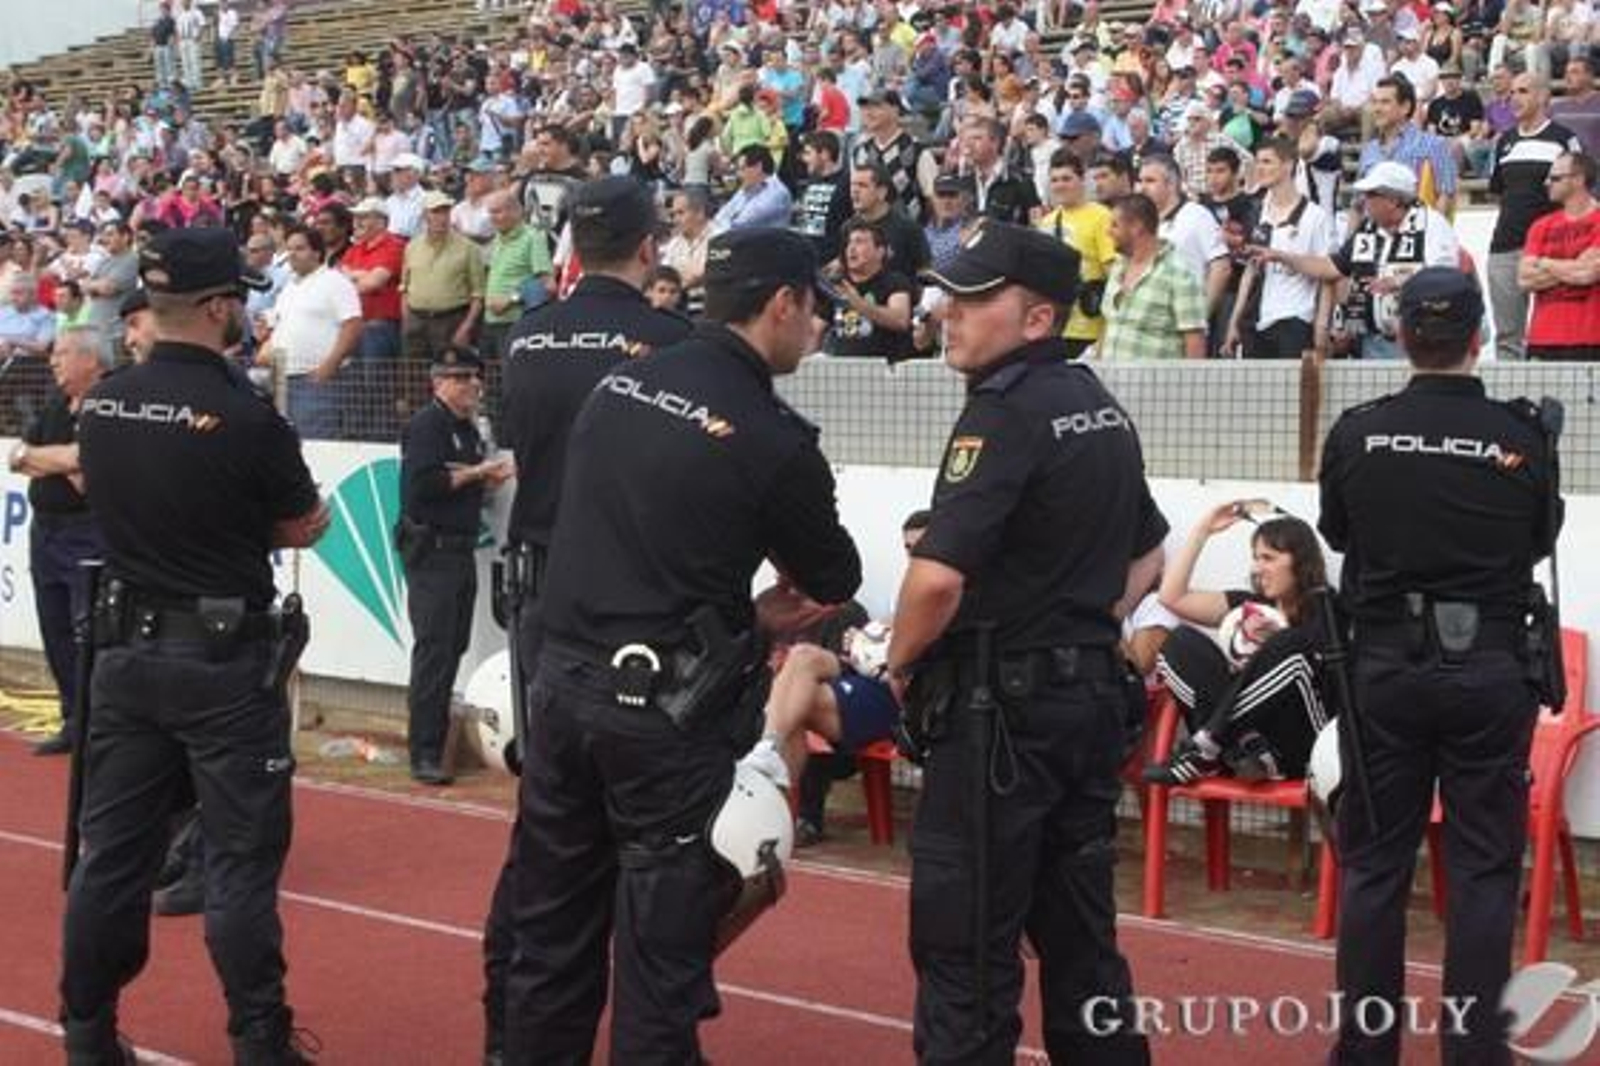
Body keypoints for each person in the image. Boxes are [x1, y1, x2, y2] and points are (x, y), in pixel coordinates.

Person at [503, 226, 861, 1063]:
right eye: (813, 308)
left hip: (561, 688)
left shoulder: (619, 385)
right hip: (662, 719)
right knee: (661, 966)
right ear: (783, 304)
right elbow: (831, 574)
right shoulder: (774, 437)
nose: (816, 327)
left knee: (549, 940)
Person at [883, 219, 1164, 1063]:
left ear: (1038, 318)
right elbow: (1149, 551)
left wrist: (899, 664)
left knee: (966, 951)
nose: (950, 313)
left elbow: (936, 578)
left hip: (999, 721)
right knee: (1083, 947)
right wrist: (1085, 623)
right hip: (1084, 703)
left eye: (974, 299)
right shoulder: (1096, 404)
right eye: (950, 296)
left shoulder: (1003, 413)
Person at [62, 226, 329, 1065]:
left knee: (112, 859)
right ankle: (260, 1040)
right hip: (221, 664)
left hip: (125, 656)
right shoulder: (247, 416)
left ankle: (87, 1034)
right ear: (217, 307)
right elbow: (299, 523)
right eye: (239, 298)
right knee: (240, 864)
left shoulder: (104, 402)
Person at [1318, 267, 1561, 1063]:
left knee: (1373, 867)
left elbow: (1339, 533)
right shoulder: (1523, 435)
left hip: (1386, 668)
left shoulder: (1358, 432)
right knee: (1484, 871)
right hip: (1490, 670)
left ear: (1401, 333)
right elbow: (1539, 540)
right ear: (1479, 336)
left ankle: (1366, 1052)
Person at [486, 176, 695, 1065]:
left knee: (549, 819)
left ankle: (514, 1023)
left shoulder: (527, 337)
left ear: (572, 246)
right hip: (637, 607)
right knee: (654, 832)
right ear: (649, 248)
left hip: (544, 600)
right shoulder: (672, 342)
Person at [1144, 503, 1332, 784]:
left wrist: (1273, 643)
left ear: (1300, 561)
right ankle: (1242, 745)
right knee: (1179, 643)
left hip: (1299, 748)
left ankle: (1206, 746)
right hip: (1243, 754)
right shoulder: (1249, 605)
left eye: (1268, 558)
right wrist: (1203, 530)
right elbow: (1171, 597)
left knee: (1290, 645)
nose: (1257, 568)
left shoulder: (1327, 607)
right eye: (1255, 558)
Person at [398, 345, 513, 785]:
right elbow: (423, 486)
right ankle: (424, 752)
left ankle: (434, 743)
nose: (473, 385)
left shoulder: (468, 429)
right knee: (435, 652)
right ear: (439, 382)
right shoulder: (428, 426)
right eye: (462, 377)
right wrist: (478, 473)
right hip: (433, 552)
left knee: (452, 648)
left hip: (459, 550)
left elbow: (461, 486)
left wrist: (482, 478)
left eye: (475, 376)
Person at [7, 325, 106, 756]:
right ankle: (73, 721)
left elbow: (85, 473)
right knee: (55, 631)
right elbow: (19, 458)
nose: (53, 361)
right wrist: (55, 459)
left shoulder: (104, 405)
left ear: (90, 359)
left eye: (62, 353)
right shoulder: (55, 405)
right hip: (45, 530)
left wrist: (40, 458)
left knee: (88, 633)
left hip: (86, 534)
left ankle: (98, 727)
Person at [1254, 162, 1458, 361]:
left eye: (1370, 194)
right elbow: (1331, 267)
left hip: (1421, 342)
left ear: (1393, 201)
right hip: (1373, 343)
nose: (1364, 200)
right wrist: (1282, 256)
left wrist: (1399, 282)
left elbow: (1446, 279)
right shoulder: (1368, 228)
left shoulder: (1432, 225)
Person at [1486, 73, 1583, 362]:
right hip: (1505, 247)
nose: (1514, 98)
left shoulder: (1564, 138)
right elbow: (1498, 192)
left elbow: (1580, 190)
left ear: (1543, 97)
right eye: (1512, 93)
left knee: (1557, 333)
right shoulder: (1504, 141)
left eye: (1523, 91)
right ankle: (1510, 392)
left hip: (1552, 251)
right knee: (1507, 337)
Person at [1225, 138, 1334, 360]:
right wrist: (1234, 322)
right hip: (1255, 321)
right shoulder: (1255, 212)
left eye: (1267, 162)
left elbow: (1329, 273)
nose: (1260, 168)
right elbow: (1250, 271)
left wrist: (1321, 326)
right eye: (1258, 162)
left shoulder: (1315, 217)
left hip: (1295, 320)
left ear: (1288, 165)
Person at [261, 224, 361, 440]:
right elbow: (277, 327)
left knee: (315, 443)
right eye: (289, 249)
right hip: (281, 378)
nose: (292, 254)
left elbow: (352, 324)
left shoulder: (335, 282)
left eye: (299, 248)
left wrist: (330, 365)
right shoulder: (289, 288)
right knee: (285, 441)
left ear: (317, 252)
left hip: (315, 379)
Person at [1101, 193, 1208, 361]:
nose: (1108, 232)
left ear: (1136, 226)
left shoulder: (1179, 273)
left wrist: (1191, 379)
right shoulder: (1118, 267)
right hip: (1110, 376)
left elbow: (1195, 341)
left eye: (1115, 225)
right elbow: (1110, 326)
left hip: (1157, 377)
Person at [1518, 151, 1600, 362]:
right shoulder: (1540, 225)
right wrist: (1575, 266)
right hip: (1541, 339)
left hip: (1590, 339)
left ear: (1578, 180)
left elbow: (1588, 274)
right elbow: (1524, 280)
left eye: (1555, 178)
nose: (1547, 183)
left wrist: (1543, 262)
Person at [1035, 151, 1115, 358]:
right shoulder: (1046, 223)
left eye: (1066, 179)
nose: (1060, 185)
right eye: (1054, 180)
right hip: (1054, 328)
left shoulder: (1102, 217)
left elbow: (1114, 277)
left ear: (1082, 180)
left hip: (1090, 329)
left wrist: (1107, 334)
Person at [401, 190, 485, 363]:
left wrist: (466, 328)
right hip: (416, 321)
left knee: (451, 374)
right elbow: (404, 287)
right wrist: (407, 319)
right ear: (425, 215)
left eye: (445, 211)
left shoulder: (469, 248)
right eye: (436, 212)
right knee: (414, 374)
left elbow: (478, 294)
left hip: (452, 321)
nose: (442, 217)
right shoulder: (412, 247)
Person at [824, 219, 915, 361]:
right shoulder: (838, 283)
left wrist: (858, 303)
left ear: (880, 252)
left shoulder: (895, 281)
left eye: (859, 242)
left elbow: (900, 320)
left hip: (881, 368)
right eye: (849, 243)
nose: (851, 248)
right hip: (839, 366)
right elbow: (815, 329)